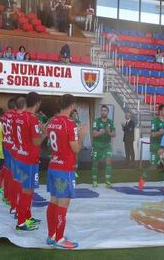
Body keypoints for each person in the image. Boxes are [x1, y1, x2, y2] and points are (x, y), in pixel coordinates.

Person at [46, 94, 87, 249]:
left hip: (53, 165)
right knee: (63, 204)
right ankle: (60, 238)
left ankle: (52, 235)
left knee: (54, 200)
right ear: (72, 105)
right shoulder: (69, 123)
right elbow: (75, 148)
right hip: (65, 168)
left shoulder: (53, 121)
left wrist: (74, 133)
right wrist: (81, 136)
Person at [14, 92, 47, 231]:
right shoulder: (31, 118)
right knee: (26, 190)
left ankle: (27, 216)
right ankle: (21, 222)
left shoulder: (19, 116)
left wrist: (37, 130)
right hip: (29, 159)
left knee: (27, 189)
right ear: (38, 102)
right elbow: (36, 141)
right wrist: (44, 133)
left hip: (20, 156)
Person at [139, 104, 164, 190]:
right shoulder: (155, 121)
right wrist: (162, 132)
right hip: (155, 147)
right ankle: (142, 179)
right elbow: (152, 134)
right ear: (160, 111)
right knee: (153, 166)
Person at [91, 105, 116, 188]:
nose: (103, 112)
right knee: (95, 163)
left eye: (105, 110)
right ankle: (94, 181)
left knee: (108, 161)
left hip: (106, 145)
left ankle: (107, 182)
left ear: (107, 112)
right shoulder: (96, 121)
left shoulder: (110, 122)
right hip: (97, 145)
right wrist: (102, 132)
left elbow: (114, 134)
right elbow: (94, 134)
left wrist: (108, 132)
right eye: (102, 110)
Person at [0, 98, 16, 211]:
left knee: (7, 170)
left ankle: (6, 196)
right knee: (13, 174)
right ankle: (11, 198)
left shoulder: (4, 115)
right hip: (13, 146)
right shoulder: (15, 116)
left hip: (5, 143)